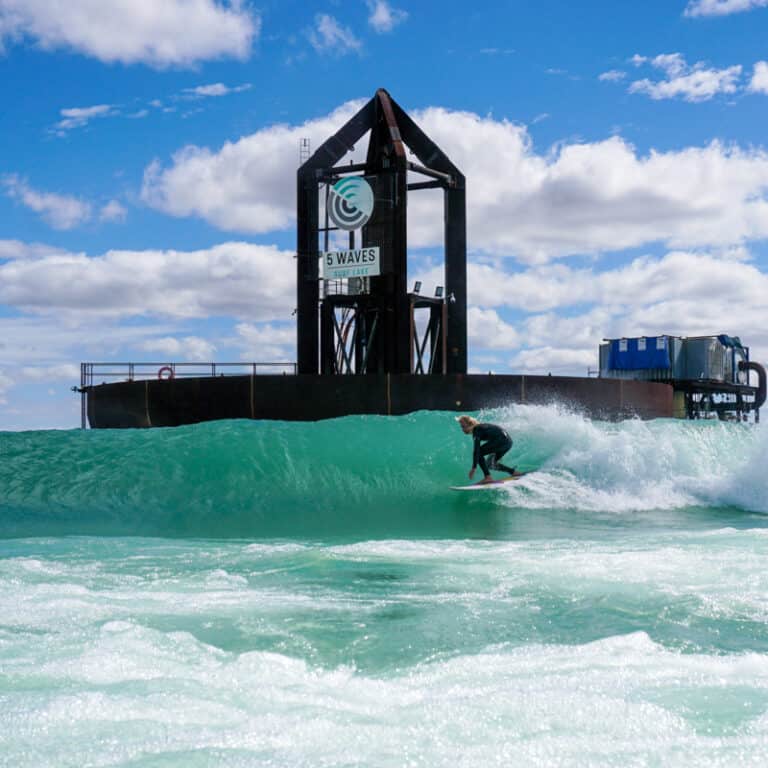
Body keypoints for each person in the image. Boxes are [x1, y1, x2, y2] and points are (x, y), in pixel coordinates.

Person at [456, 415, 516, 484]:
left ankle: (487, 477)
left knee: (479, 453)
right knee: (490, 464)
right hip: (508, 443)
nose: (462, 429)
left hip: (501, 441)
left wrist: (473, 468)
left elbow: (476, 450)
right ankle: (513, 472)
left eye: (463, 426)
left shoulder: (477, 430)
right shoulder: (483, 427)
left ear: (470, 424)